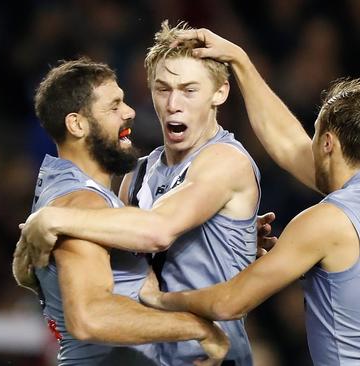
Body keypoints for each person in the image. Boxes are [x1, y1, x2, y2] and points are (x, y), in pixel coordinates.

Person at [138, 29, 360, 365]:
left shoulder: (323, 221)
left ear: (327, 144)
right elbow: (288, 145)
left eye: (315, 134)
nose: (306, 143)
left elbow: (228, 303)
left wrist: (160, 299)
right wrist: (240, 59)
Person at [15, 22, 264, 366]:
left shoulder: (224, 161)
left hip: (210, 357)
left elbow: (157, 232)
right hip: (160, 350)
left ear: (219, 94)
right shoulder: (136, 173)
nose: (173, 103)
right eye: (162, 89)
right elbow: (129, 275)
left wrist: (51, 219)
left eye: (189, 90)